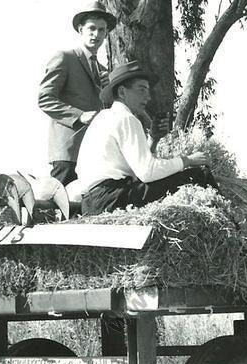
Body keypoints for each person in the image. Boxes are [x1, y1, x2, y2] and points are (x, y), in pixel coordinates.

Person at [73, 61, 217, 214]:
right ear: (122, 92)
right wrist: (187, 161)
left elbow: (137, 168)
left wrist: (153, 139)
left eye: (148, 91)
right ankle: (231, 228)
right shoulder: (126, 118)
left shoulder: (103, 117)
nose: (148, 97)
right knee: (200, 175)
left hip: (92, 203)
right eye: (142, 90)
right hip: (114, 198)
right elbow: (147, 173)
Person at [38, 1, 116, 186]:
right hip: (68, 152)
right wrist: (79, 116)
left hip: (94, 154)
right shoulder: (65, 58)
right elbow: (45, 99)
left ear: (106, 34)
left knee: (83, 209)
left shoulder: (104, 71)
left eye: (101, 30)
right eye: (91, 28)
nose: (96, 34)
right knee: (60, 207)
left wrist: (109, 92)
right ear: (80, 29)